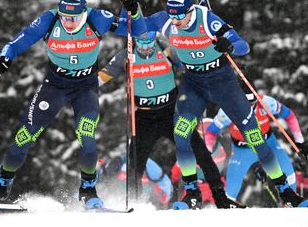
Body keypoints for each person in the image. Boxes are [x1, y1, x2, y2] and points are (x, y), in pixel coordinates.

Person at [125, 0, 308, 208]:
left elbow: (243, 46)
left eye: (180, 17)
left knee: (254, 136)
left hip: (221, 81)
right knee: (181, 133)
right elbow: (137, 29)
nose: (176, 23)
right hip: (194, 83)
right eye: (172, 17)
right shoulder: (165, 20)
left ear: (190, 11)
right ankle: (192, 192)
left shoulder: (207, 19)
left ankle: (286, 191)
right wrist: (132, 8)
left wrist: (229, 45)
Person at [0, 0, 145, 210]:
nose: (68, 22)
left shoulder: (98, 18)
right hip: (54, 86)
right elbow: (19, 41)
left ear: (83, 11)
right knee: (24, 136)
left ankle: (88, 189)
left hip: (84, 88)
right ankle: (2, 186)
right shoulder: (49, 20)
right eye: (64, 16)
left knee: (87, 138)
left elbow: (136, 30)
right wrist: (5, 57)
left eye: (73, 17)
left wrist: (132, 8)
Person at [98, 32, 242, 209]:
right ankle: (135, 201)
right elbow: (103, 75)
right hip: (145, 117)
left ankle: (219, 196)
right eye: (141, 44)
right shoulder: (127, 55)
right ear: (135, 42)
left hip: (171, 113)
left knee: (200, 151)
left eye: (149, 43)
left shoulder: (166, 50)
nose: (145, 48)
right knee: (135, 161)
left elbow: (190, 63)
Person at [204, 94, 308, 204]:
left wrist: (300, 141)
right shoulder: (228, 109)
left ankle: (290, 203)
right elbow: (211, 131)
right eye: (246, 104)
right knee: (231, 190)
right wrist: (207, 150)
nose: (250, 108)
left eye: (253, 104)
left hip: (268, 143)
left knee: (288, 170)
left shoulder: (266, 102)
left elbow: (289, 116)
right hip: (243, 150)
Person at [97, 156, 173, 208]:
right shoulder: (119, 163)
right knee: (107, 178)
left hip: (137, 199)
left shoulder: (152, 168)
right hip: (118, 197)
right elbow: (104, 178)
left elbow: (164, 182)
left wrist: (165, 200)